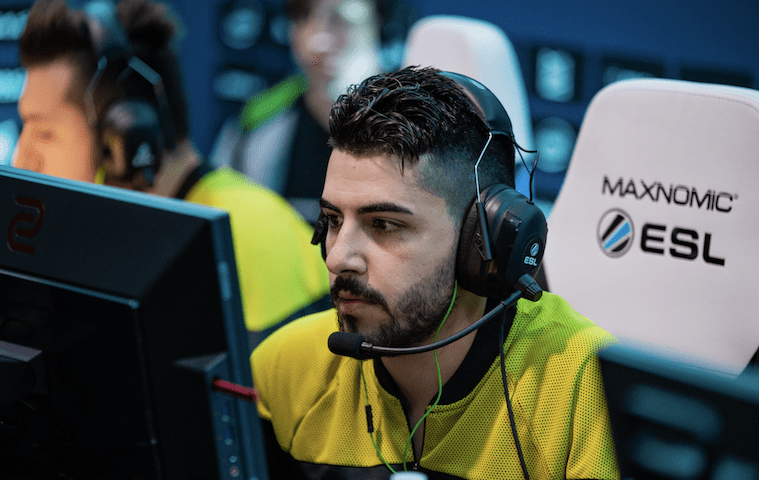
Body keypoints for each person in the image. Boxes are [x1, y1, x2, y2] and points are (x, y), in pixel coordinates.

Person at [251, 66, 620, 479]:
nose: (338, 258)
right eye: (333, 220)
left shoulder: (584, 388)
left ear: (481, 239)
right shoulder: (287, 368)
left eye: (384, 224)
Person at [13, 0, 329, 344]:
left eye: (45, 133)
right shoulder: (131, 236)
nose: (21, 159)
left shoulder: (250, 237)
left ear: (127, 136)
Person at [210, 0, 411, 225]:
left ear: (379, 24)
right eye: (303, 17)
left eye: (339, 18)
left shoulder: (418, 125)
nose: (316, 41)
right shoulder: (256, 122)